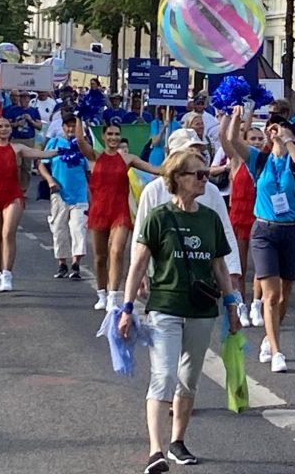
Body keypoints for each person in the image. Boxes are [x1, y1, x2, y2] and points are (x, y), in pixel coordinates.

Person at [119, 149, 240, 474]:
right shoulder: (158, 217)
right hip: (165, 308)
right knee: (164, 375)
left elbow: (219, 267)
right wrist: (127, 307)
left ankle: (178, 441)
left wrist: (232, 305)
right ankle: (155, 450)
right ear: (177, 179)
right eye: (198, 174)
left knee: (188, 380)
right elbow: (138, 264)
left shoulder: (210, 218)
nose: (205, 179)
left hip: (202, 310)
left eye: (206, 174)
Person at [223, 105, 295, 373]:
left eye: (281, 129)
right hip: (265, 231)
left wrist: (287, 140)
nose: (275, 133)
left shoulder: (294, 162)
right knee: (270, 294)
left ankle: (268, 338)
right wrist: (237, 114)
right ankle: (276, 350)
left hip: (293, 231)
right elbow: (234, 141)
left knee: (284, 294)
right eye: (273, 129)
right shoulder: (260, 161)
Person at [131, 129, 243, 309]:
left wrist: (233, 270)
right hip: (164, 278)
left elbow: (225, 231)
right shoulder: (154, 190)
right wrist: (140, 273)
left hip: (203, 278)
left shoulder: (210, 191)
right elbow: (140, 235)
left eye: (198, 150)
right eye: (189, 150)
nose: (195, 155)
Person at [0, 114, 58, 292]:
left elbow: (43, 154)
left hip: (12, 195)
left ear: (11, 129)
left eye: (7, 126)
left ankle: (7, 274)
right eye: (0, 126)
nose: (4, 129)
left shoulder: (17, 148)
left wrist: (65, 150)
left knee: (8, 234)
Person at [76, 117, 159, 311]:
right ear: (104, 136)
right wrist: (80, 116)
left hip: (120, 212)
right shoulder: (95, 157)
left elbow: (153, 169)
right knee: (99, 257)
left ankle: (114, 296)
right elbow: (80, 141)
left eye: (117, 134)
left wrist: (174, 168)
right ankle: (102, 294)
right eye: (110, 134)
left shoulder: (127, 159)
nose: (114, 137)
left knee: (117, 251)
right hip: (99, 212)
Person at [221, 110, 266, 328]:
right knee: (240, 267)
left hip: (258, 218)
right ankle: (241, 305)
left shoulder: (264, 161)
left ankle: (257, 304)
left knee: (261, 266)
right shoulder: (238, 159)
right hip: (238, 218)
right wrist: (233, 116)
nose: (257, 142)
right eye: (252, 139)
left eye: (260, 139)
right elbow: (226, 137)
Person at [38, 114, 89, 281]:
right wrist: (50, 180)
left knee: (78, 228)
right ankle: (62, 263)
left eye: (74, 126)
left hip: (79, 195)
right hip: (59, 193)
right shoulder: (54, 143)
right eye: (68, 126)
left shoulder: (83, 146)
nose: (71, 129)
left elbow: (90, 172)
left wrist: (93, 195)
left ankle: (76, 264)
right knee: (59, 228)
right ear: (63, 127)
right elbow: (41, 164)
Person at [3, 90, 42, 193]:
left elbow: (39, 126)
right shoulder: (13, 110)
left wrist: (31, 121)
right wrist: (16, 124)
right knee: (15, 165)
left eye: (26, 97)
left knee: (26, 166)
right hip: (16, 139)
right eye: (22, 97)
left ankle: (23, 189)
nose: (24, 99)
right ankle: (15, 187)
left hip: (28, 140)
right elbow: (6, 124)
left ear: (29, 99)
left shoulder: (34, 111)